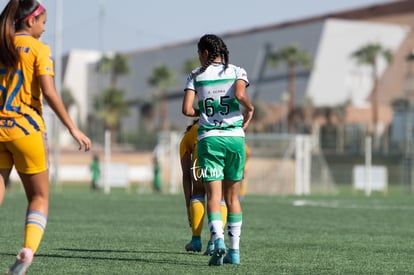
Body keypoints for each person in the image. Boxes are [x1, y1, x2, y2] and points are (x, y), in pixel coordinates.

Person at [0, 1, 91, 274]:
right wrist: (72, 128)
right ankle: (27, 251)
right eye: (43, 23)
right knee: (39, 198)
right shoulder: (39, 49)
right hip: (26, 131)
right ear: (30, 21)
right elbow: (49, 92)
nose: (44, 28)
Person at [182, 34, 254, 266]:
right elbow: (241, 96)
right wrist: (250, 109)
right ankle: (235, 252)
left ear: (204, 52)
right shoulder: (237, 71)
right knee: (232, 197)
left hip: (209, 140)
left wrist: (202, 112)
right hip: (235, 138)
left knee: (213, 195)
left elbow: (186, 110)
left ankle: (218, 241)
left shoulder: (196, 75)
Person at [179, 119, 227, 255]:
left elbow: (186, 175)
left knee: (198, 191)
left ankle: (195, 239)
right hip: (225, 145)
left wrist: (188, 205)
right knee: (220, 196)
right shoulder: (223, 124)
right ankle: (213, 242)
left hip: (202, 148)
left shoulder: (189, 134)